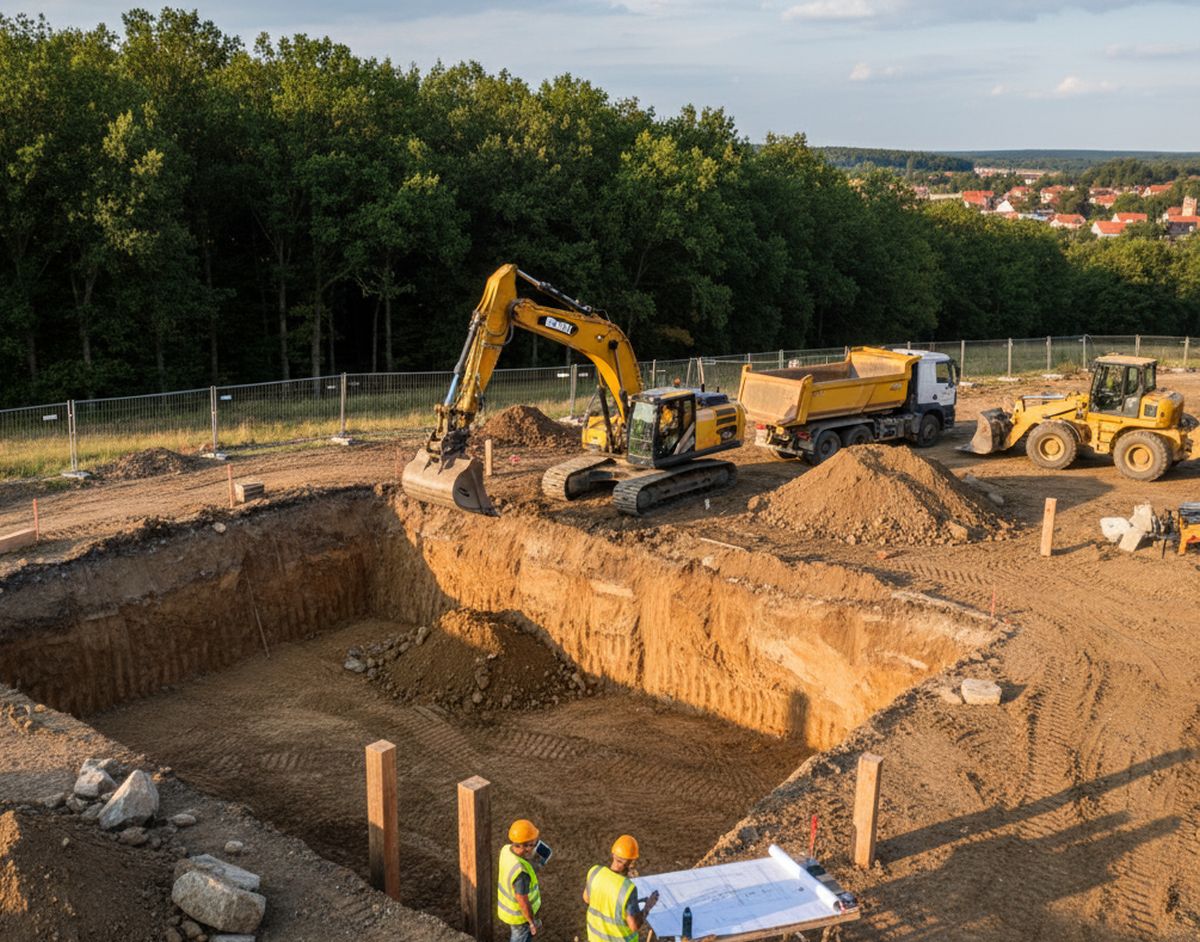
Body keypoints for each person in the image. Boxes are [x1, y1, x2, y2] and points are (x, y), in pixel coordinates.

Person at [583, 834, 658, 942]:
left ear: (613, 854)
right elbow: (634, 926)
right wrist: (648, 907)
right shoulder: (627, 888)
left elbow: (586, 899)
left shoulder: (595, 872)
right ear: (631, 863)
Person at [498, 819, 544, 941]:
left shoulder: (506, 850)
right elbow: (522, 900)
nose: (536, 844)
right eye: (533, 843)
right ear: (524, 846)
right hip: (520, 918)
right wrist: (531, 921)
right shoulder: (521, 874)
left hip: (509, 910)